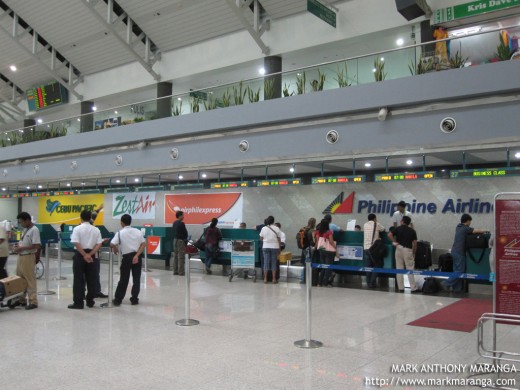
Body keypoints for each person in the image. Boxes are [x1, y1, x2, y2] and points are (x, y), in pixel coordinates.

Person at [442, 214, 487, 294]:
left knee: (456, 270)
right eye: (470, 221)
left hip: (454, 251)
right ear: (468, 221)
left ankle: (457, 289)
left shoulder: (458, 227)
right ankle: (446, 283)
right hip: (459, 252)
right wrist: (485, 231)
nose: (470, 223)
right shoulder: (465, 228)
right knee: (460, 271)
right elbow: (475, 231)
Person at [68, 210, 103, 309]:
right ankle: (90, 301)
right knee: (92, 279)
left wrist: (84, 255)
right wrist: (90, 255)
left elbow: (76, 242)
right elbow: (99, 243)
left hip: (80, 255)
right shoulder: (96, 230)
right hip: (92, 255)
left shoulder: (77, 229)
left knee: (78, 279)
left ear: (81, 217)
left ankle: (78, 303)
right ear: (90, 217)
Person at [110, 214, 146, 306]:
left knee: (124, 279)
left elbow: (112, 243)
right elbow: (143, 244)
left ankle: (118, 299)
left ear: (122, 222)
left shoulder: (120, 233)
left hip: (126, 257)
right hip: (137, 257)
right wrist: (137, 255)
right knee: (136, 279)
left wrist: (115, 248)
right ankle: (134, 299)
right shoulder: (138, 232)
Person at [13, 212, 40, 310]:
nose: (21, 224)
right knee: (19, 279)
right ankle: (21, 299)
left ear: (27, 220)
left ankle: (33, 301)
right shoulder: (26, 229)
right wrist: (18, 247)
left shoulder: (34, 230)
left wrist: (22, 248)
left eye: (21, 222)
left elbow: (36, 245)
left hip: (28, 257)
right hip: (21, 256)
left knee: (30, 279)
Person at [388, 216, 420, 293]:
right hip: (407, 249)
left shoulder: (398, 228)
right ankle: (413, 287)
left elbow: (389, 235)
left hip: (398, 248)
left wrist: (395, 242)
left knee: (399, 268)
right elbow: (415, 243)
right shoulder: (412, 231)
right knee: (410, 269)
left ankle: (401, 287)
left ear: (402, 221)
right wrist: (414, 252)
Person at [363, 214, 385, 288]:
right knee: (377, 265)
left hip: (366, 248)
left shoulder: (365, 225)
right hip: (374, 249)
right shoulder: (377, 224)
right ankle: (372, 283)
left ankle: (369, 282)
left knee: (368, 266)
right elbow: (383, 229)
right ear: (375, 218)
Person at [90, 210, 108, 298]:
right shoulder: (94, 229)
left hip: (92, 254)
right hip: (92, 254)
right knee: (90, 274)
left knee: (96, 273)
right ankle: (91, 292)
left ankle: (97, 291)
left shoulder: (94, 229)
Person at [259, 216, 281, 284]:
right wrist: (279, 248)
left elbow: (261, 238)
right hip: (275, 247)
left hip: (266, 246)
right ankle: (274, 279)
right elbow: (279, 239)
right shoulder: (277, 228)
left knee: (266, 262)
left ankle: (265, 279)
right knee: (274, 262)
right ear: (273, 221)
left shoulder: (263, 228)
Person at [315, 219, 336, 287]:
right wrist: (336, 249)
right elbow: (331, 241)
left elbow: (317, 241)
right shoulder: (329, 232)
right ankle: (325, 283)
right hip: (328, 251)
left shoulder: (318, 232)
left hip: (321, 249)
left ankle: (319, 282)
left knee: (323, 266)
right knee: (328, 267)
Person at [172, 210, 188, 276]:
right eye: (183, 215)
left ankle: (175, 271)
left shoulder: (174, 223)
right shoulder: (181, 223)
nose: (183, 217)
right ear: (180, 216)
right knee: (181, 257)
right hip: (180, 241)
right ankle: (181, 272)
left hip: (175, 240)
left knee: (175, 256)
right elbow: (185, 233)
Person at [301, 217, 316, 284]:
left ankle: (302, 279)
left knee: (305, 264)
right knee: (308, 264)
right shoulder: (312, 230)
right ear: (314, 223)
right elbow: (313, 241)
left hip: (304, 248)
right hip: (309, 248)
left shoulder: (303, 228)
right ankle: (308, 280)